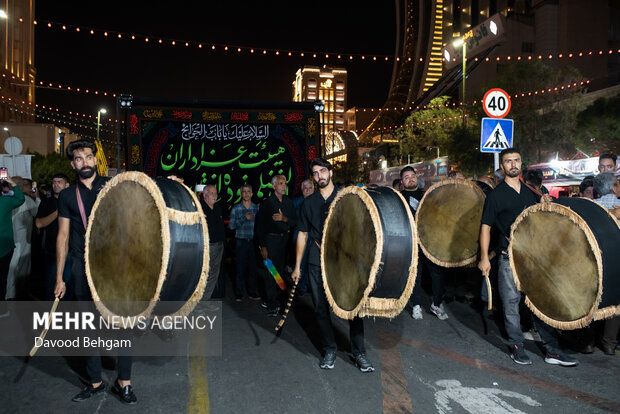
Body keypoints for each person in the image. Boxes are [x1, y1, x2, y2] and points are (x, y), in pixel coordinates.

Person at [54, 140, 137, 404]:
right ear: (73, 164)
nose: (85, 162)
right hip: (81, 269)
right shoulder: (67, 196)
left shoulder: (112, 187)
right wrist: (59, 277)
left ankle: (124, 383)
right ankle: (95, 381)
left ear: (95, 159)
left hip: (114, 267)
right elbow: (63, 236)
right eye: (79, 159)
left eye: (89, 157)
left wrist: (168, 183)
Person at [478, 147, 578, 367]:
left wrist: (544, 205)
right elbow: (485, 227)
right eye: (508, 161)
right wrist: (484, 258)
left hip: (533, 258)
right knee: (511, 305)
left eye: (516, 160)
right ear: (502, 166)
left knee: (540, 303)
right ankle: (517, 347)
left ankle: (552, 350)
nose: (513, 164)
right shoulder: (495, 195)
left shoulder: (530, 191)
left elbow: (540, 221)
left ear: (521, 163)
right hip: (508, 258)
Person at [292, 158, 374, 372]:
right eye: (315, 173)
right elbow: (302, 233)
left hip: (345, 259)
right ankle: (329, 349)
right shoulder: (308, 203)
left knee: (354, 306)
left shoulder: (346, 196)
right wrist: (297, 266)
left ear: (330, 171)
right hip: (316, 258)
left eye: (322, 171)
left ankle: (359, 353)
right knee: (320, 308)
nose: (319, 176)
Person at [400, 166, 447, 320]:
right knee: (415, 275)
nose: (410, 178)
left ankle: (436, 304)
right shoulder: (399, 198)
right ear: (402, 181)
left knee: (438, 274)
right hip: (412, 243)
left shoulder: (428, 195)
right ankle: (416, 306)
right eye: (406, 177)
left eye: (412, 176)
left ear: (416, 177)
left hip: (430, 242)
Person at [256, 175, 297, 316]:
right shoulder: (267, 204)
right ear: (274, 186)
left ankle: (278, 300)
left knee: (279, 272)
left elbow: (294, 221)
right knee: (270, 272)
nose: (284, 186)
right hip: (270, 242)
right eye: (280, 183)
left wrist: (284, 218)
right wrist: (263, 247)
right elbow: (259, 227)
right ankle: (271, 303)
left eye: (285, 183)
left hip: (283, 242)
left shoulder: (288, 202)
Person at [592, 171, 620, 355]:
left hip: (594, 262)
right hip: (616, 261)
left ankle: (587, 342)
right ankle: (609, 342)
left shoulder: (590, 207)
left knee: (591, 300)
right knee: (616, 302)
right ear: (613, 187)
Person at [36, 173, 72, 301]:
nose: (55, 185)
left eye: (59, 182)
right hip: (51, 250)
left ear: (67, 185)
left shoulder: (72, 202)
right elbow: (39, 223)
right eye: (54, 182)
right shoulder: (47, 202)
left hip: (70, 251)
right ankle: (51, 316)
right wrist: (58, 213)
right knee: (52, 284)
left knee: (68, 284)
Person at [6, 177, 39, 299]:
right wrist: (37, 197)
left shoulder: (6, 199)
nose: (27, 186)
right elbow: (37, 212)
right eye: (24, 184)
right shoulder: (25, 200)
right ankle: (15, 295)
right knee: (18, 270)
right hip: (22, 241)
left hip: (10, 241)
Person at [229, 184, 260, 302]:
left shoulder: (256, 208)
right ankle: (239, 293)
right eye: (244, 191)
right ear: (241, 194)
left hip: (253, 242)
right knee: (240, 269)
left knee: (253, 269)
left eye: (248, 191)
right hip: (240, 242)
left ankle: (252, 292)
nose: (246, 194)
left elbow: (260, 227)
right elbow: (231, 226)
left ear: (252, 194)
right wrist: (244, 218)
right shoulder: (236, 209)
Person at [0, 174, 24, 315]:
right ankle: (2, 310)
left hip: (5, 245)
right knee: (2, 278)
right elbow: (20, 198)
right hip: (5, 246)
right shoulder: (5, 201)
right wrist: (12, 183)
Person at [200, 185, 226, 302]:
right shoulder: (200, 210)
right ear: (205, 195)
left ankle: (204, 300)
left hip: (219, 246)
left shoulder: (218, 208)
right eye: (211, 193)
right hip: (206, 248)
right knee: (203, 275)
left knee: (214, 275)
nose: (215, 196)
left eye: (215, 193)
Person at [291, 179, 314, 296]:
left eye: (310, 188)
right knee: (301, 262)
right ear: (302, 190)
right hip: (300, 235)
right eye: (306, 188)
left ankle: (310, 285)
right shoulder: (296, 202)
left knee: (313, 262)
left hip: (314, 236)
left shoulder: (318, 201)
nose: (308, 191)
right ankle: (301, 287)